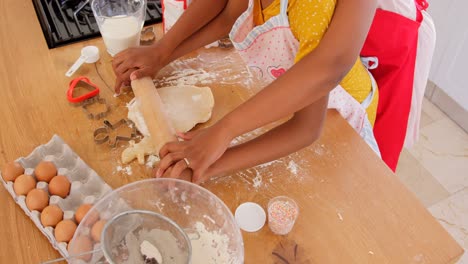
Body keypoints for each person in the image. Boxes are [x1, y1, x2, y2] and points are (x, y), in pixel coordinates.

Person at [112, 0, 378, 183]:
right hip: (288, 99)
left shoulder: (312, 9)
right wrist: (162, 52)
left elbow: (307, 128)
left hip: (339, 118)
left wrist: (209, 161)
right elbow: (230, 14)